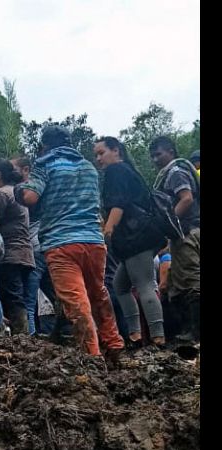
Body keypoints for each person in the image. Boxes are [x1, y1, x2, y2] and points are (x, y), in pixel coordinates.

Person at [15, 125, 124, 361]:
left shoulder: (44, 164)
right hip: (93, 242)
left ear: (45, 146)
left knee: (76, 301)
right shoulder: (88, 167)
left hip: (61, 242)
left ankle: (92, 357)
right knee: (98, 294)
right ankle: (114, 345)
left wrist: (18, 187)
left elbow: (30, 197)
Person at [95, 137, 167, 347]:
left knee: (144, 284)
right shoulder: (128, 171)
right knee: (120, 285)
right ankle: (135, 335)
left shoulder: (116, 171)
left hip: (136, 238)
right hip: (137, 238)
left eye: (101, 153)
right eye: (96, 155)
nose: (99, 159)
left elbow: (119, 203)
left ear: (116, 151)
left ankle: (157, 337)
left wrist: (108, 229)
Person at [150, 136, 200, 341]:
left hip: (187, 232)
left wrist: (169, 223)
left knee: (191, 279)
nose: (155, 159)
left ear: (170, 151)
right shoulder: (179, 171)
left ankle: (195, 332)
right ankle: (188, 329)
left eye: (158, 154)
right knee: (179, 281)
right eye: (152, 156)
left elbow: (186, 198)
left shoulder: (175, 172)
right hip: (188, 231)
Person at [0, 159, 34, 333]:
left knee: (13, 298)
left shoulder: (1, 194)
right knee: (19, 296)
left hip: (10, 254)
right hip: (25, 254)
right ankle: (23, 336)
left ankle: (21, 337)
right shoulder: (17, 192)